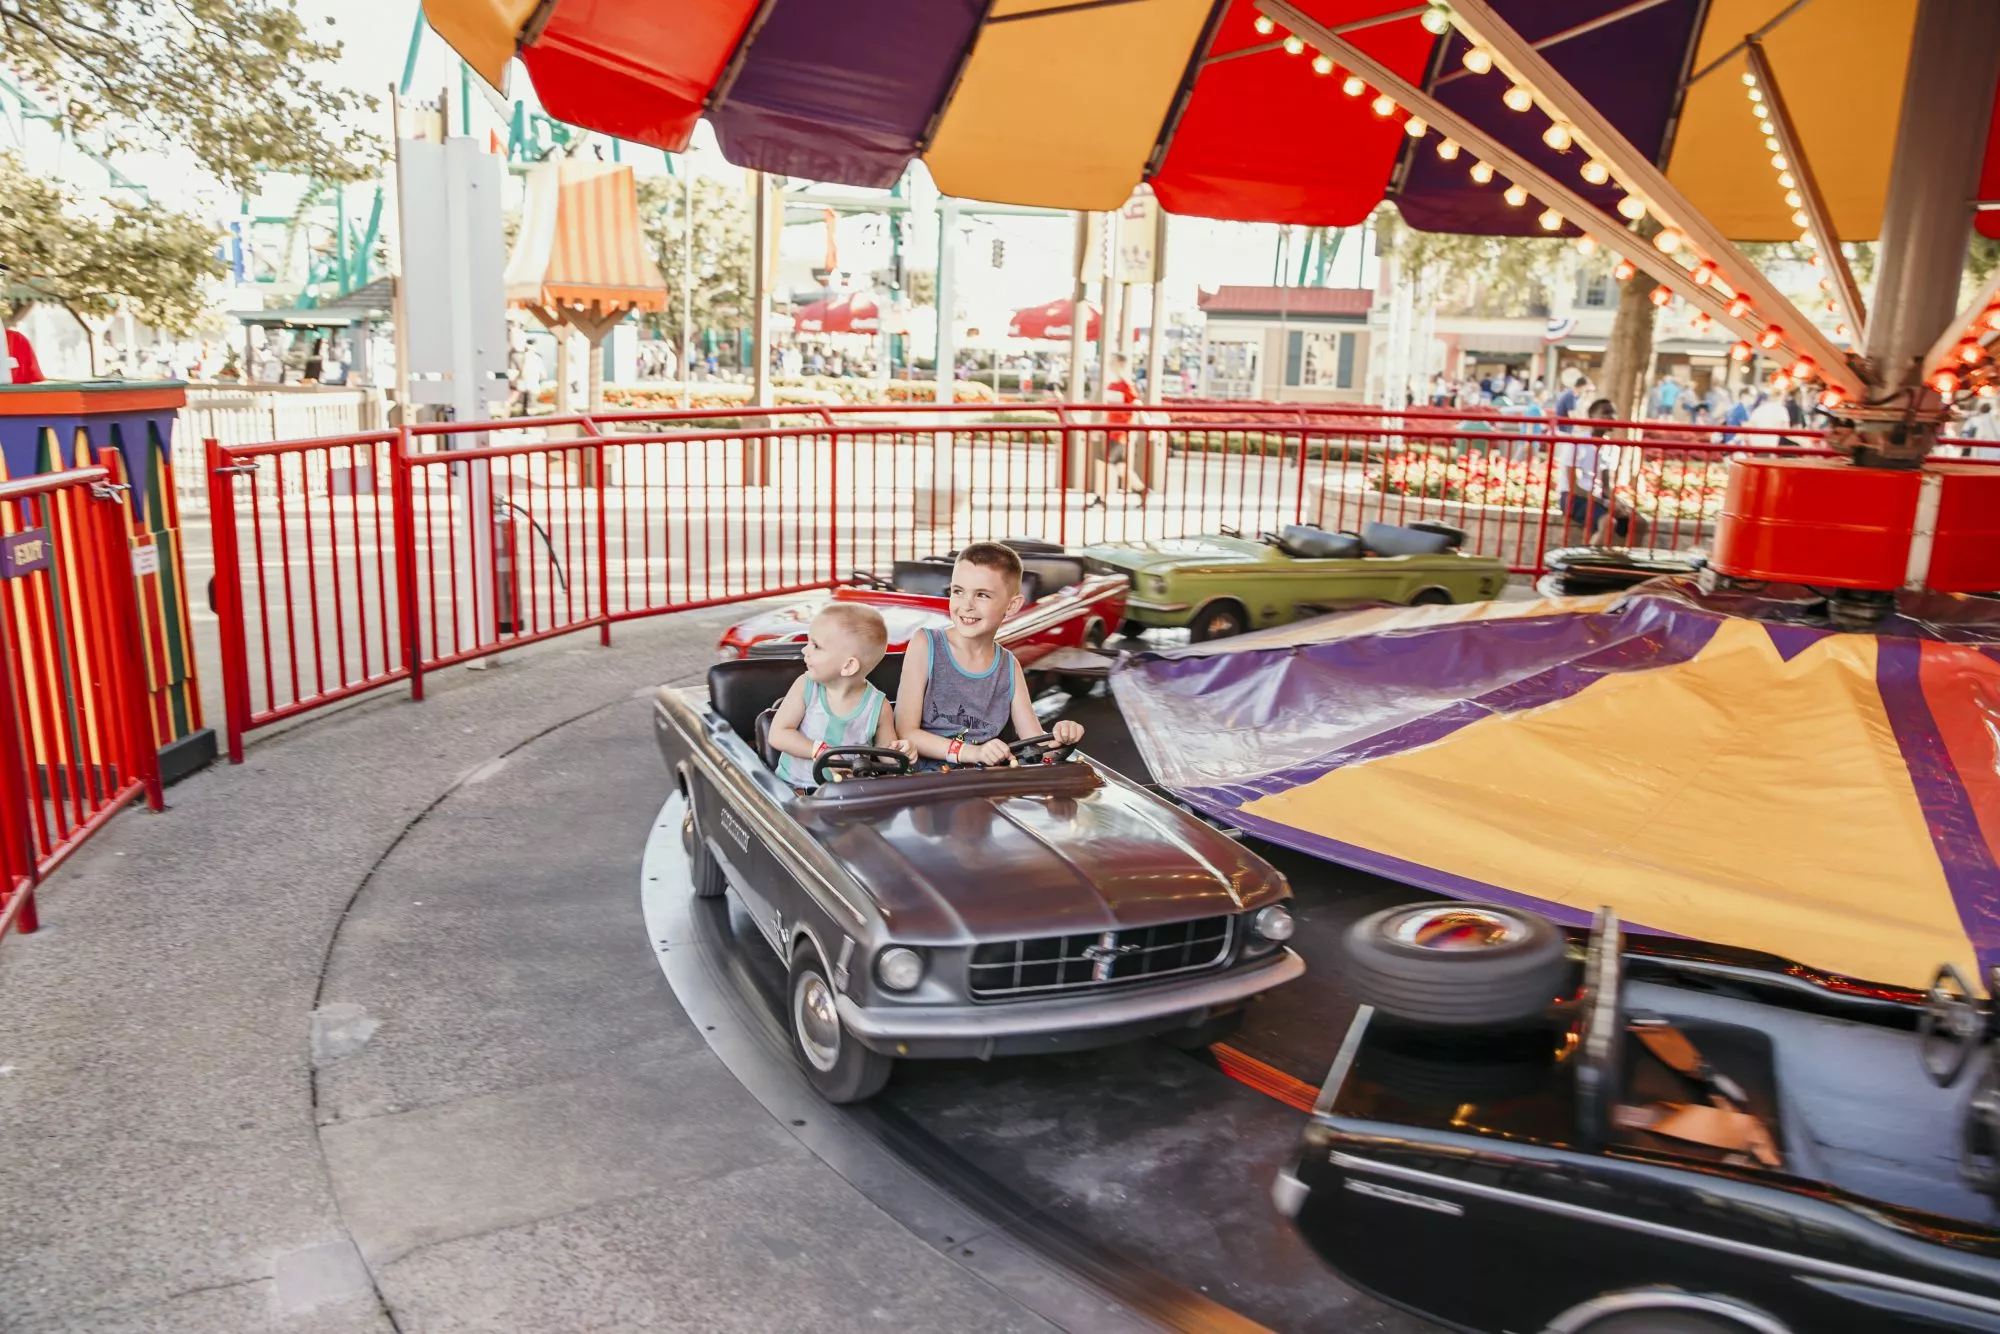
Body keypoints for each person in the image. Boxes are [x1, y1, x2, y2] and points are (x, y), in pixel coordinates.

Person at [895, 543, 1084, 767]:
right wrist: (972, 753)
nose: (967, 605)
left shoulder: (1008, 666)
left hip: (986, 782)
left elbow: (1036, 745)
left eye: (982, 595)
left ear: (1012, 605)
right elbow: (906, 732)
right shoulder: (926, 645)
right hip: (927, 781)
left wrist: (1062, 737)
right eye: (958, 591)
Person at [767, 604, 912, 791]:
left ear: (848, 666)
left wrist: (902, 753)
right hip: (795, 790)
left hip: (849, 794)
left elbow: (887, 755)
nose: (805, 650)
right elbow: (778, 734)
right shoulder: (806, 687)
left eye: (816, 646)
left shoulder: (878, 706)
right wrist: (820, 751)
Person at [1555, 398, 1629, 545]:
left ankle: (1626, 563)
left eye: (1612, 413)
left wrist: (1618, 502)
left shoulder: (1609, 447)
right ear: (1591, 416)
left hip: (1595, 498)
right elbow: (1573, 487)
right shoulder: (1577, 443)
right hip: (1574, 497)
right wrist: (1604, 502)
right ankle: (1589, 562)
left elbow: (1606, 487)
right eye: (1605, 413)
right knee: (1608, 523)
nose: (1610, 417)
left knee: (1636, 521)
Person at [1086, 353, 1148, 509]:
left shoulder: (1127, 386)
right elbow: (1108, 412)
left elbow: (1137, 405)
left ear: (1120, 363)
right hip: (1110, 430)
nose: (1109, 364)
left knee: (1102, 462)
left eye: (1112, 361)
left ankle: (1101, 496)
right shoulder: (1111, 386)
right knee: (1120, 467)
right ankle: (1142, 490)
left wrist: (1148, 423)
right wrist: (1099, 428)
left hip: (1120, 432)